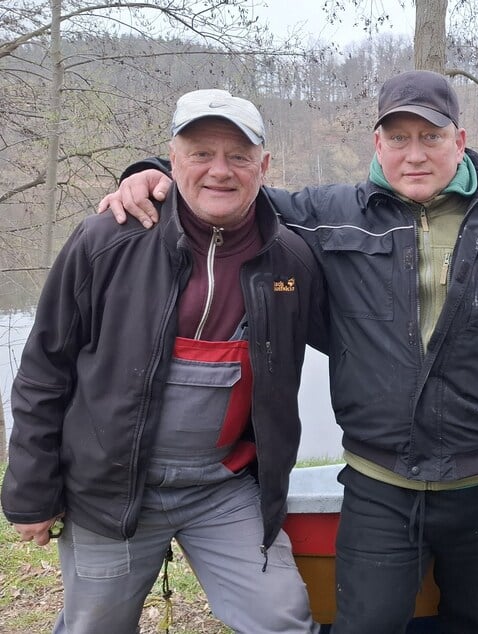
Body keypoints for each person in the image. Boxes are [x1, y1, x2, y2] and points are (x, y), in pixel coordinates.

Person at [100, 70, 478, 633]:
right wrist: (149, 173)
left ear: (460, 141)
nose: (414, 154)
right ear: (378, 144)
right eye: (398, 138)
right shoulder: (329, 215)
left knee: (476, 623)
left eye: (431, 137)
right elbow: (227, 189)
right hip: (381, 485)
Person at [1, 89, 327, 633]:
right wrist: (32, 490)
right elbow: (43, 370)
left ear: (264, 166)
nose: (219, 171)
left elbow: (360, 341)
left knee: (283, 617)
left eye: (238, 156)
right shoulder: (107, 239)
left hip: (224, 490)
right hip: (111, 491)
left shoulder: (291, 260)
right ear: (171, 161)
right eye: (200, 153)